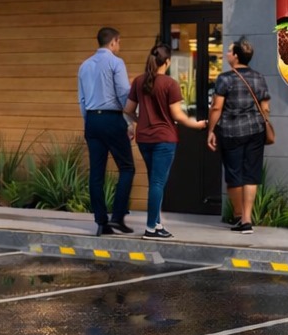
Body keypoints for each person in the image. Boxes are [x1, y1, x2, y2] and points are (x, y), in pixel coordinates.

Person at [124, 43, 207, 240]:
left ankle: (157, 223)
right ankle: (151, 228)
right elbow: (178, 115)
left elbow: (127, 110)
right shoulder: (170, 84)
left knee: (155, 181)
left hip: (144, 139)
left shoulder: (138, 81)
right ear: (167, 62)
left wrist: (138, 122)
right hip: (164, 139)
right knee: (158, 182)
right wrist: (197, 125)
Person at [207, 37, 271, 235]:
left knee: (234, 175)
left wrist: (210, 130)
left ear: (235, 56)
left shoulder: (225, 78)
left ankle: (238, 215)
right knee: (251, 174)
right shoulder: (259, 78)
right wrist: (260, 121)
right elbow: (266, 107)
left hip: (231, 131)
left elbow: (217, 106)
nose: (226, 54)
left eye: (228, 51)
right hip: (255, 131)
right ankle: (247, 220)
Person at [78, 26, 136, 236]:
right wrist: (129, 120)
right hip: (112, 119)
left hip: (92, 119)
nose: (119, 47)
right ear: (113, 42)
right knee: (127, 168)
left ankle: (101, 222)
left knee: (96, 174)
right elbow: (123, 94)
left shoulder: (84, 66)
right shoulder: (115, 62)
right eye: (119, 43)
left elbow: (82, 100)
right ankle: (118, 217)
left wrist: (90, 122)